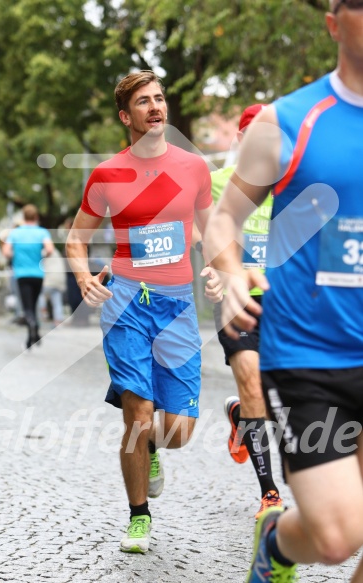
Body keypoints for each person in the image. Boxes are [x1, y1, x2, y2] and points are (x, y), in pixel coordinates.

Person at [205, 1, 363, 581]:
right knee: (337, 534)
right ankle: (275, 541)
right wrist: (229, 273)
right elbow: (223, 219)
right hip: (310, 356)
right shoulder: (289, 119)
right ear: (333, 22)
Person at [66, 70, 222, 554]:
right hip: (126, 299)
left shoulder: (194, 167)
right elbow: (76, 239)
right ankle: (138, 516)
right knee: (138, 410)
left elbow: (207, 231)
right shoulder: (107, 173)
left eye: (159, 98)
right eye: (143, 102)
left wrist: (216, 268)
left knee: (177, 431)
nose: (155, 107)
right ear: (125, 116)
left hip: (176, 305)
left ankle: (153, 448)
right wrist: (84, 276)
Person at [210, 105, 282, 520]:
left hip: (285, 303)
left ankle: (240, 414)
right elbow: (204, 230)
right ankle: (269, 493)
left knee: (285, 393)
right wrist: (217, 266)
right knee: (252, 385)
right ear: (239, 139)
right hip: (237, 301)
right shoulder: (217, 183)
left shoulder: (291, 188)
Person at [3, 204, 54, 349]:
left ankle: (31, 325)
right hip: (38, 274)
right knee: (34, 303)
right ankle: (34, 336)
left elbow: (6, 252)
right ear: (36, 216)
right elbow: (49, 249)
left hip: (21, 274)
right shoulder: (42, 232)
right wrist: (41, 256)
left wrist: (16, 257)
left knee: (27, 307)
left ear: (23, 217)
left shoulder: (15, 233)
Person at [39, 247, 67, 326]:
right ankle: (58, 320)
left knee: (40, 294)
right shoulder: (56, 251)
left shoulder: (43, 251)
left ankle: (43, 312)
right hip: (60, 279)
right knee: (57, 301)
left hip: (49, 278)